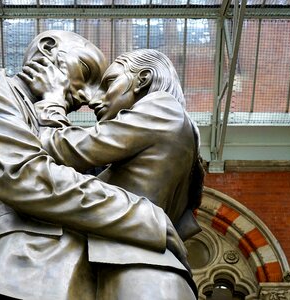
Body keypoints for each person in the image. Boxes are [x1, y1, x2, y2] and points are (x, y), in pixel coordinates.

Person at [0, 31, 188, 300]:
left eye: (105, 84)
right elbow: (25, 176)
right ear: (48, 48)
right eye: (87, 71)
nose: (89, 98)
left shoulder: (154, 117)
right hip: (19, 275)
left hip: (94, 274)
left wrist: (52, 107)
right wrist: (145, 218)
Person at [22, 48, 204, 299]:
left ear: (143, 79)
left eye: (109, 83)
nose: (95, 100)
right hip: (150, 269)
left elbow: (62, 149)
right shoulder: (178, 138)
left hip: (135, 269)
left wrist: (53, 100)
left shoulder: (162, 107)